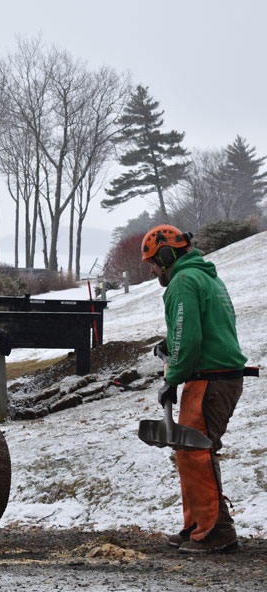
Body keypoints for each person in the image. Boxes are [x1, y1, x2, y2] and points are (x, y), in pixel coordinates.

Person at [141, 224, 248, 553]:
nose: (154, 269)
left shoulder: (183, 281)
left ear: (167, 253)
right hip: (221, 375)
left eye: (154, 262)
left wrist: (171, 378)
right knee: (190, 451)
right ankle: (197, 525)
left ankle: (216, 530)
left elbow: (189, 338)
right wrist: (169, 345)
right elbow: (199, 329)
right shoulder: (207, 277)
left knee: (196, 452)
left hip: (210, 378)